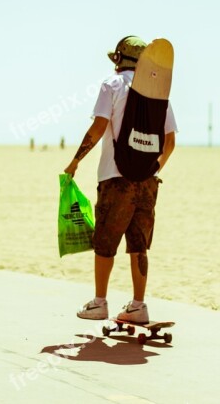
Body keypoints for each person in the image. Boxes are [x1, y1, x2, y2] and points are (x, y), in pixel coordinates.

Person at [64, 35, 177, 323]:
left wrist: (76, 160)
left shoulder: (111, 85)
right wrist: (152, 170)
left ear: (118, 60)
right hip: (148, 182)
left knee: (105, 241)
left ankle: (99, 302)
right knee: (139, 245)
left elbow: (99, 126)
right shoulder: (157, 91)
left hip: (116, 179)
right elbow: (170, 141)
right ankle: (138, 306)